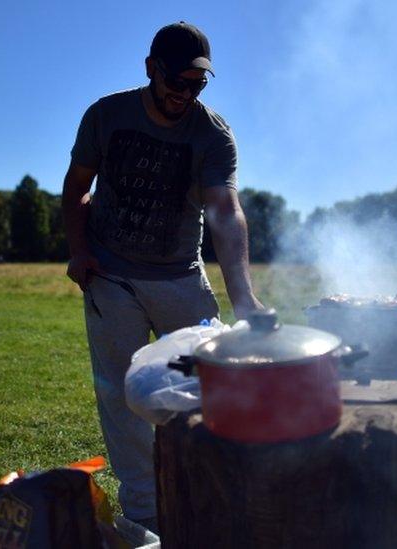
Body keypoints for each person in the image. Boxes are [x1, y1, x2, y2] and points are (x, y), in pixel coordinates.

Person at [61, 21, 263, 531]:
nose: (186, 93)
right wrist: (79, 251)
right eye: (177, 81)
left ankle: (211, 503)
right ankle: (147, 518)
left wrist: (244, 299)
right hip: (111, 277)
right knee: (121, 395)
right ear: (151, 69)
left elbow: (225, 211)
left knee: (208, 386)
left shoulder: (213, 134)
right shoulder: (106, 116)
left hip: (180, 277)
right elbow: (77, 186)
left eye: (197, 84)